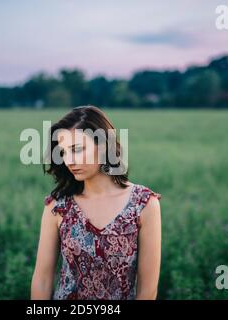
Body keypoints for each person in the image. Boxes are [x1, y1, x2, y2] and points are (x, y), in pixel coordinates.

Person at [31, 105, 162, 300]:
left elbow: (147, 290)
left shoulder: (143, 204)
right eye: (64, 152)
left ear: (103, 146)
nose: (69, 161)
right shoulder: (58, 206)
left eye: (76, 150)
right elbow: (42, 280)